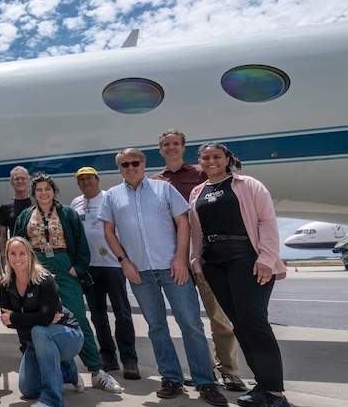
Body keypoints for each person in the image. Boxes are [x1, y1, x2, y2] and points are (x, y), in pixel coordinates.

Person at [98, 148, 228, 406]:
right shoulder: (112, 196)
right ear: (119, 167)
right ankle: (171, 378)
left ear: (144, 164)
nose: (130, 167)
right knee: (156, 327)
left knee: (190, 324)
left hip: (172, 267)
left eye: (135, 162)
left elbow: (184, 223)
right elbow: (109, 232)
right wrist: (124, 262)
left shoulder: (164, 189)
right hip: (139, 272)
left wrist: (181, 258)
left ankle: (205, 382)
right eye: (125, 164)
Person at [189, 143, 289, 407]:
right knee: (239, 324)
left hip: (246, 258)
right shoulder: (198, 191)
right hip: (213, 262)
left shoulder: (248, 184)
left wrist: (266, 258)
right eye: (205, 158)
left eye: (216, 157)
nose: (211, 161)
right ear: (199, 162)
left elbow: (266, 221)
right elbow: (196, 232)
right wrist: (196, 264)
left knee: (254, 322)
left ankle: (275, 393)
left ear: (226, 159)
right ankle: (263, 386)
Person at [152, 129, 246, 392]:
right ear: (160, 150)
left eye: (175, 144)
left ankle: (229, 371)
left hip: (204, 256)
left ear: (183, 147)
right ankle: (202, 371)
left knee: (218, 316)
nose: (171, 148)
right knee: (189, 320)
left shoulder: (202, 174)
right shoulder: (155, 181)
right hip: (172, 259)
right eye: (166, 144)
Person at [13, 172, 123, 394]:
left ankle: (97, 371)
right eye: (39, 190)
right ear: (34, 194)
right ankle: (64, 371)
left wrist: (80, 268)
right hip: (36, 268)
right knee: (41, 321)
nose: (44, 193)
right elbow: (17, 245)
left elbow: (81, 243)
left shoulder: (68, 213)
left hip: (64, 267)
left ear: (54, 191)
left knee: (78, 319)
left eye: (47, 189)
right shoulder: (25, 216)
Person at [69, 167, 140, 380]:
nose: (85, 182)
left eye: (89, 178)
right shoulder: (75, 204)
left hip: (113, 266)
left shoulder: (110, 198)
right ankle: (108, 356)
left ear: (97, 179)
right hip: (89, 267)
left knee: (123, 314)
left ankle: (130, 360)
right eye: (81, 179)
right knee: (98, 315)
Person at [0, 237, 84, 407]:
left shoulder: (45, 280)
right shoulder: (5, 284)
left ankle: (52, 400)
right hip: (33, 342)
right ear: (6, 257)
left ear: (30, 255)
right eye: (12, 254)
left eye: (22, 253)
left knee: (39, 331)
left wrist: (18, 318)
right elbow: (7, 321)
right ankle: (68, 371)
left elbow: (15, 319)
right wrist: (39, 318)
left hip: (69, 335)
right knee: (28, 389)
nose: (17, 258)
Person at [0, 166, 32, 268]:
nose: (20, 181)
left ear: (28, 181)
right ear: (11, 183)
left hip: (36, 252)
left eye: (23, 178)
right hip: (17, 255)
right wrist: (4, 259)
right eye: (16, 179)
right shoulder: (5, 207)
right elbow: (3, 236)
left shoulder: (37, 203)